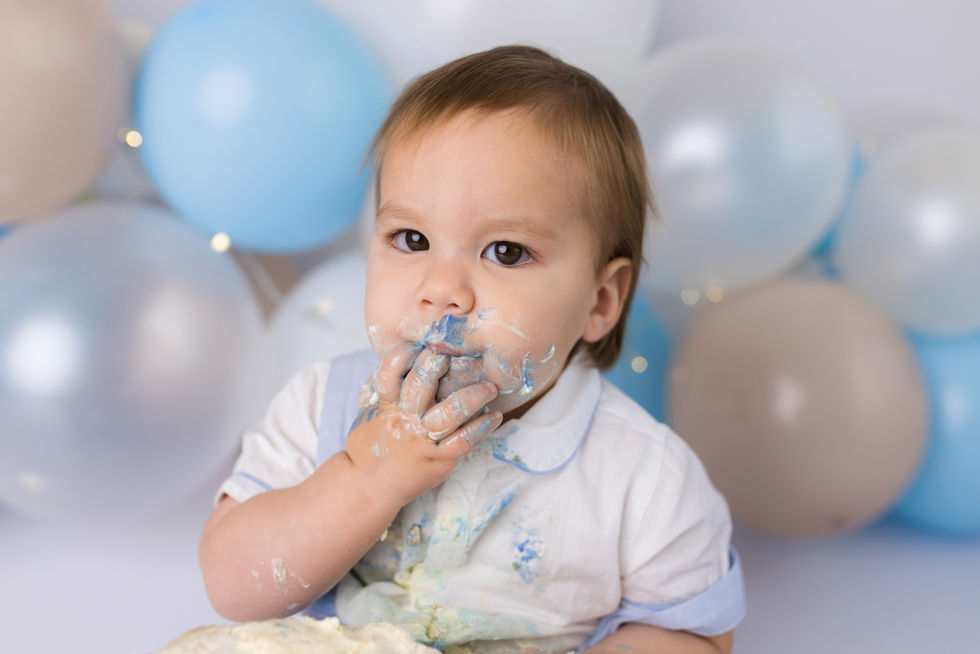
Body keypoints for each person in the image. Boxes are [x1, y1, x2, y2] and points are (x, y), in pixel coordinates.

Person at [199, 45, 745, 654]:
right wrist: (365, 479)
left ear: (600, 300)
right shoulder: (322, 407)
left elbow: (694, 636)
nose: (442, 290)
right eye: (412, 239)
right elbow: (233, 587)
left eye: (505, 252)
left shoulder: (642, 476)